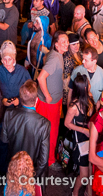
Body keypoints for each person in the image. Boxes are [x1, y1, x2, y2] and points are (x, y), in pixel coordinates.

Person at [0, 80, 50, 179]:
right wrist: (34, 176)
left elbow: (4, 141)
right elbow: (43, 159)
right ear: (36, 100)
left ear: (21, 99)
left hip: (13, 167)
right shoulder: (44, 123)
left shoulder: (8, 114)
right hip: (30, 171)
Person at [37, 30, 68, 167]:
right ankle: (50, 161)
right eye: (63, 42)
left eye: (67, 41)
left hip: (52, 101)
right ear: (56, 44)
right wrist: (48, 95)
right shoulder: (56, 58)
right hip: (49, 103)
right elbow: (41, 77)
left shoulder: (54, 54)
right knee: (51, 132)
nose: (66, 44)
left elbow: (45, 60)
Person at [64, 74, 93, 196]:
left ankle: (87, 190)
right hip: (80, 140)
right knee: (84, 174)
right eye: (88, 83)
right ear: (84, 88)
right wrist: (83, 130)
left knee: (91, 170)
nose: (90, 85)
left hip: (91, 137)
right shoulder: (73, 107)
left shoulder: (90, 98)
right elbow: (67, 124)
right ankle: (75, 192)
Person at [0, 41, 32, 106]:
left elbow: (30, 90)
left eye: (10, 59)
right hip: (2, 108)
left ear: (14, 59)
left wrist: (19, 100)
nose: (7, 62)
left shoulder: (23, 72)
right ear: (2, 60)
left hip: (19, 108)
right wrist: (1, 100)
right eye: (5, 59)